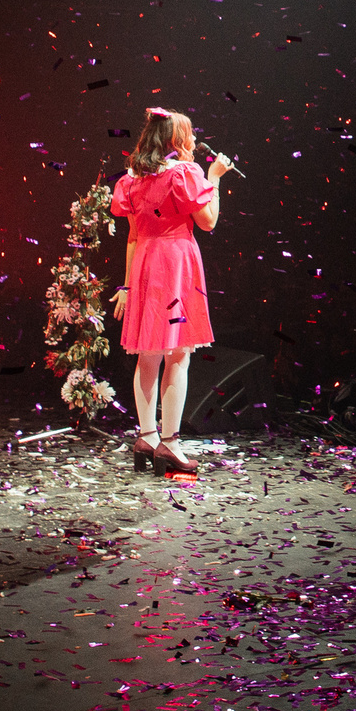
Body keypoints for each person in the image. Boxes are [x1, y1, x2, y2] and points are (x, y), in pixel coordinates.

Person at [109, 105, 233, 474]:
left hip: (147, 264)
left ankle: (147, 436)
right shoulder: (185, 173)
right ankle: (171, 444)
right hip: (176, 262)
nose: (195, 140)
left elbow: (132, 236)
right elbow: (208, 222)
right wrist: (215, 177)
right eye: (191, 134)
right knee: (178, 354)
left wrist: (128, 285)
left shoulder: (133, 179)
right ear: (176, 141)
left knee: (148, 354)